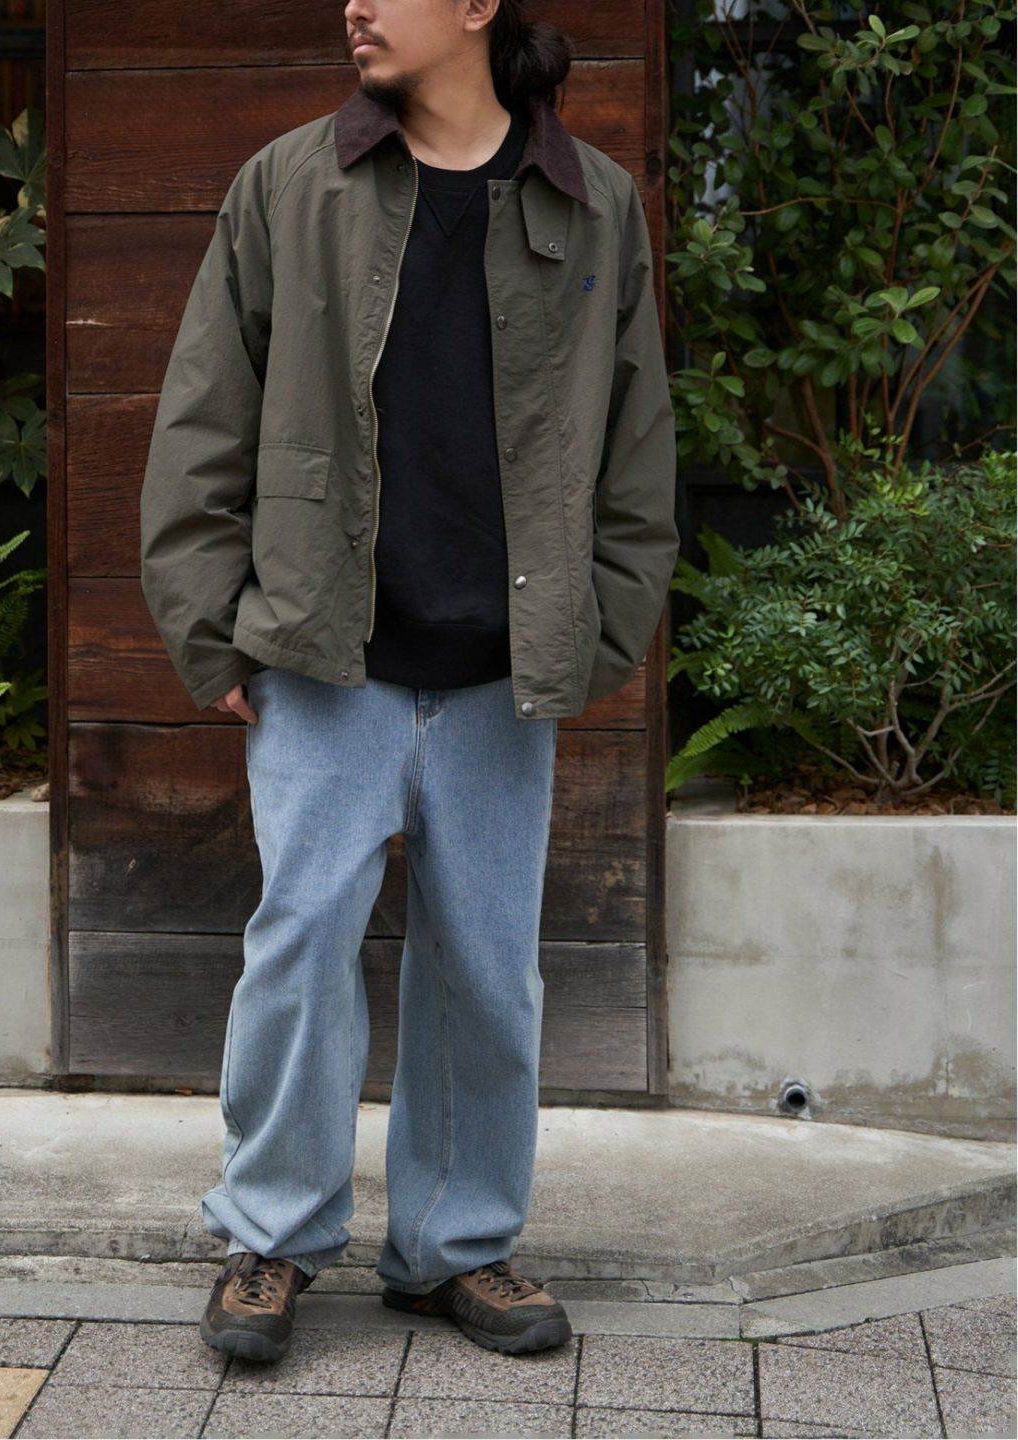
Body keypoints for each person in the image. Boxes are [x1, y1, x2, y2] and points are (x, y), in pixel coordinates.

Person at [140, 0, 679, 1364]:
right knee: (300, 945)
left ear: (479, 6)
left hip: (501, 668)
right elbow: (206, 411)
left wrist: (601, 627)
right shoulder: (290, 183)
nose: (357, 5)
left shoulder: (592, 201)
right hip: (329, 654)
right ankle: (271, 1234)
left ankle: (456, 1246)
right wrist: (213, 630)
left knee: (489, 971)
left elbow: (637, 435)